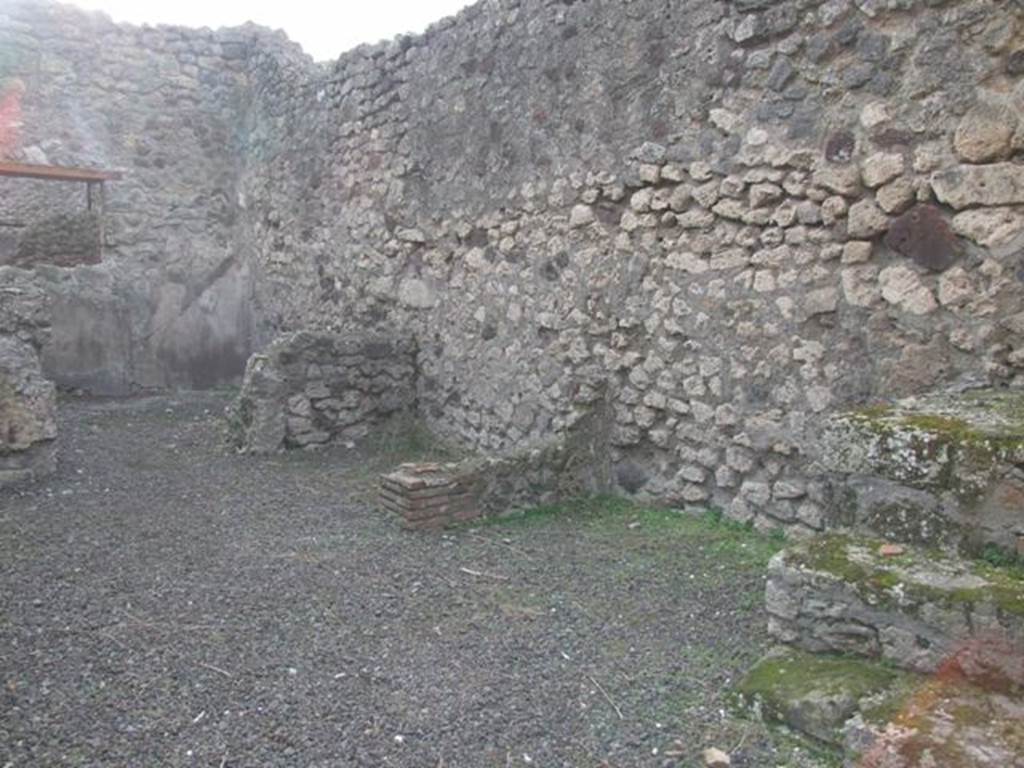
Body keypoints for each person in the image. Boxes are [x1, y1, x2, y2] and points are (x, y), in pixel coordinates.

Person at [0, 78, 26, 159]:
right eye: (16, 93)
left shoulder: (16, 107)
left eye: (20, 94)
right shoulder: (7, 108)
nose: (19, 97)